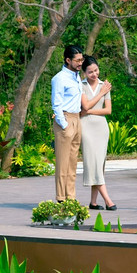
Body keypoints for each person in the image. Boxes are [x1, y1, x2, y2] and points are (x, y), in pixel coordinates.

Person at [79, 55, 115, 210]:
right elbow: (84, 106)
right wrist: (100, 94)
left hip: (101, 129)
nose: (94, 74)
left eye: (96, 70)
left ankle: (93, 202)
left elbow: (108, 110)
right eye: (90, 72)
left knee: (99, 165)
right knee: (92, 163)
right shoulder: (80, 85)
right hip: (86, 128)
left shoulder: (104, 85)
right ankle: (108, 200)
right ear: (84, 72)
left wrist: (89, 111)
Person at [51, 45, 84, 201]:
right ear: (68, 60)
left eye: (81, 59)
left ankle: (71, 197)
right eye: (77, 60)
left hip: (76, 119)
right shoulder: (59, 78)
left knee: (73, 163)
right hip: (65, 120)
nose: (80, 63)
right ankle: (61, 197)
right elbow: (56, 104)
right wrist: (64, 125)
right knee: (63, 163)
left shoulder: (76, 76)